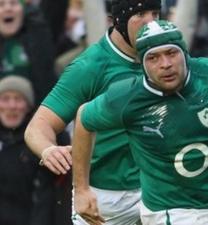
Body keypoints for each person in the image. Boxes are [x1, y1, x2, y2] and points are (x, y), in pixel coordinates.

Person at [72, 20, 208, 225]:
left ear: (184, 52)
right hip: (169, 211)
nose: (165, 64)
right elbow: (84, 118)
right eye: (153, 58)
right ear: (142, 64)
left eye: (171, 53)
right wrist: (81, 189)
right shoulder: (128, 97)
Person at [24, 0, 161, 224]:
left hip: (160, 186)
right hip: (105, 196)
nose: (151, 23)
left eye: (156, 13)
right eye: (140, 14)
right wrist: (49, 150)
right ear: (118, 20)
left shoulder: (167, 55)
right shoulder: (90, 67)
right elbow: (37, 127)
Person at [0, 75, 57, 225]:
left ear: (29, 106)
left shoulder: (40, 143)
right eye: (5, 99)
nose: (12, 106)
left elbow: (46, 196)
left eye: (19, 99)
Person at [0, 0, 57, 105]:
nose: (8, 8)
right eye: (1, 4)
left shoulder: (40, 35)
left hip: (40, 114)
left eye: (13, 3)